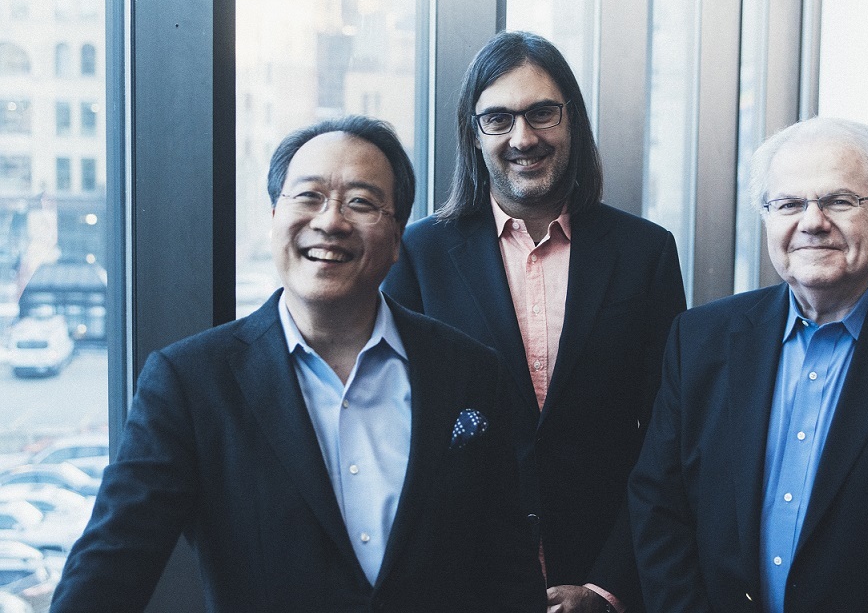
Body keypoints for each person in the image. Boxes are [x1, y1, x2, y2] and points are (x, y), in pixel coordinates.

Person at [51, 116, 545, 613]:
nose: (330, 221)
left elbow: (509, 575)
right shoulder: (191, 384)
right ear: (272, 218)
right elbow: (108, 571)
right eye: (308, 196)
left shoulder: (471, 374)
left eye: (360, 202)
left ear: (397, 239)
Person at [629, 116, 868, 612]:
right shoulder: (698, 341)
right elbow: (658, 507)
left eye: (839, 201)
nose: (813, 221)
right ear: (768, 219)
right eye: (789, 204)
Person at [383, 31, 686, 613]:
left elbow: (669, 434)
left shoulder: (645, 253)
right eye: (498, 118)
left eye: (542, 113)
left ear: (572, 121)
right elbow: (402, 436)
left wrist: (607, 585)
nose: (524, 137)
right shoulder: (419, 255)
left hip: (606, 575)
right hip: (463, 581)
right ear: (474, 135)